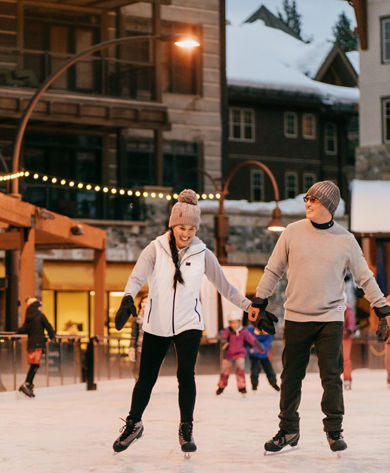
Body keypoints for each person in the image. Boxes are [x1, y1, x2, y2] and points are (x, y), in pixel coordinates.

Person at [248, 180, 390, 453]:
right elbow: (273, 270)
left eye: (313, 199)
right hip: (297, 316)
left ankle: (334, 431)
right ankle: (288, 429)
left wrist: (382, 307)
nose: (307, 203)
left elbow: (365, 278)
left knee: (331, 376)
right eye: (307, 199)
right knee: (290, 376)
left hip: (330, 317)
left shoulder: (346, 240)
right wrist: (260, 300)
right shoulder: (291, 232)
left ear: (328, 205)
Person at [112, 189, 253, 454]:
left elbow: (226, 287)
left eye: (191, 228)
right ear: (172, 224)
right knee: (146, 378)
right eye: (181, 227)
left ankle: (186, 427)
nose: (186, 233)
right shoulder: (155, 249)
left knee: (185, 375)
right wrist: (128, 298)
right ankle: (134, 423)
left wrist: (251, 308)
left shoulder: (202, 253)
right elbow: (136, 276)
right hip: (157, 323)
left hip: (189, 323)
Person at [216, 312, 265, 396]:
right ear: (229, 323)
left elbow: (252, 340)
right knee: (225, 371)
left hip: (240, 353)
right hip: (228, 354)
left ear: (239, 322)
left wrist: (260, 348)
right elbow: (223, 337)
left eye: (236, 322)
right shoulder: (227, 331)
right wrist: (224, 342)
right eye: (232, 323)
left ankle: (242, 387)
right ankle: (221, 386)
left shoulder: (243, 331)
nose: (234, 325)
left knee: (240, 369)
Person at [17, 297, 56, 398]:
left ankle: (28, 384)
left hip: (31, 344)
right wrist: (52, 336)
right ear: (36, 306)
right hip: (38, 343)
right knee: (35, 365)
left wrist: (17, 333)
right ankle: (27, 383)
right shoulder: (40, 315)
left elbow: (24, 328)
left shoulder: (29, 316)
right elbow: (48, 326)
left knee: (34, 364)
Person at [246, 324, 280, 392]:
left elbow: (264, 347)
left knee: (269, 370)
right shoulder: (249, 330)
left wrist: (254, 350)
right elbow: (244, 340)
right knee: (254, 370)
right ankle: (254, 386)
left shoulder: (268, 334)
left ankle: (274, 384)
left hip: (263, 355)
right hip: (254, 356)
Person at [129, 294, 147, 381]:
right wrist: (132, 347)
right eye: (143, 302)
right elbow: (133, 334)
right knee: (138, 367)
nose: (145, 304)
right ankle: (138, 384)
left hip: (151, 346)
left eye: (147, 302)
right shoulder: (137, 318)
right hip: (139, 346)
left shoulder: (154, 317)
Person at [342, 303, 356, 390]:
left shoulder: (346, 307)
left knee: (345, 359)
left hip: (344, 336)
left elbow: (351, 320)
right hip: (337, 335)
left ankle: (347, 380)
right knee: (345, 359)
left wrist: (349, 330)